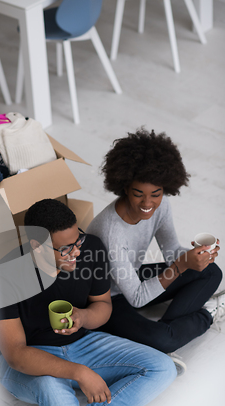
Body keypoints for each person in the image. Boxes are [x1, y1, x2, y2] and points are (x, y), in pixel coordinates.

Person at [0, 198, 177, 406]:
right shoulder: (3, 276)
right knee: (50, 387)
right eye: (65, 249)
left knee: (163, 367)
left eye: (77, 242)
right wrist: (79, 373)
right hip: (30, 355)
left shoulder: (90, 249)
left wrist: (84, 317)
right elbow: (15, 354)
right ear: (35, 245)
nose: (76, 252)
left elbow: (103, 306)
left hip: (83, 342)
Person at [87, 128, 224, 372]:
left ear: (166, 188)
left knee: (211, 271)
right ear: (125, 187)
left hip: (133, 277)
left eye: (156, 194)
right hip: (107, 297)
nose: (148, 203)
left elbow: (171, 251)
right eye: (138, 194)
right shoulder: (109, 231)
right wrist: (182, 266)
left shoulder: (161, 206)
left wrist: (197, 257)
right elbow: (136, 297)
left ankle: (169, 330)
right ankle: (206, 315)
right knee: (161, 339)